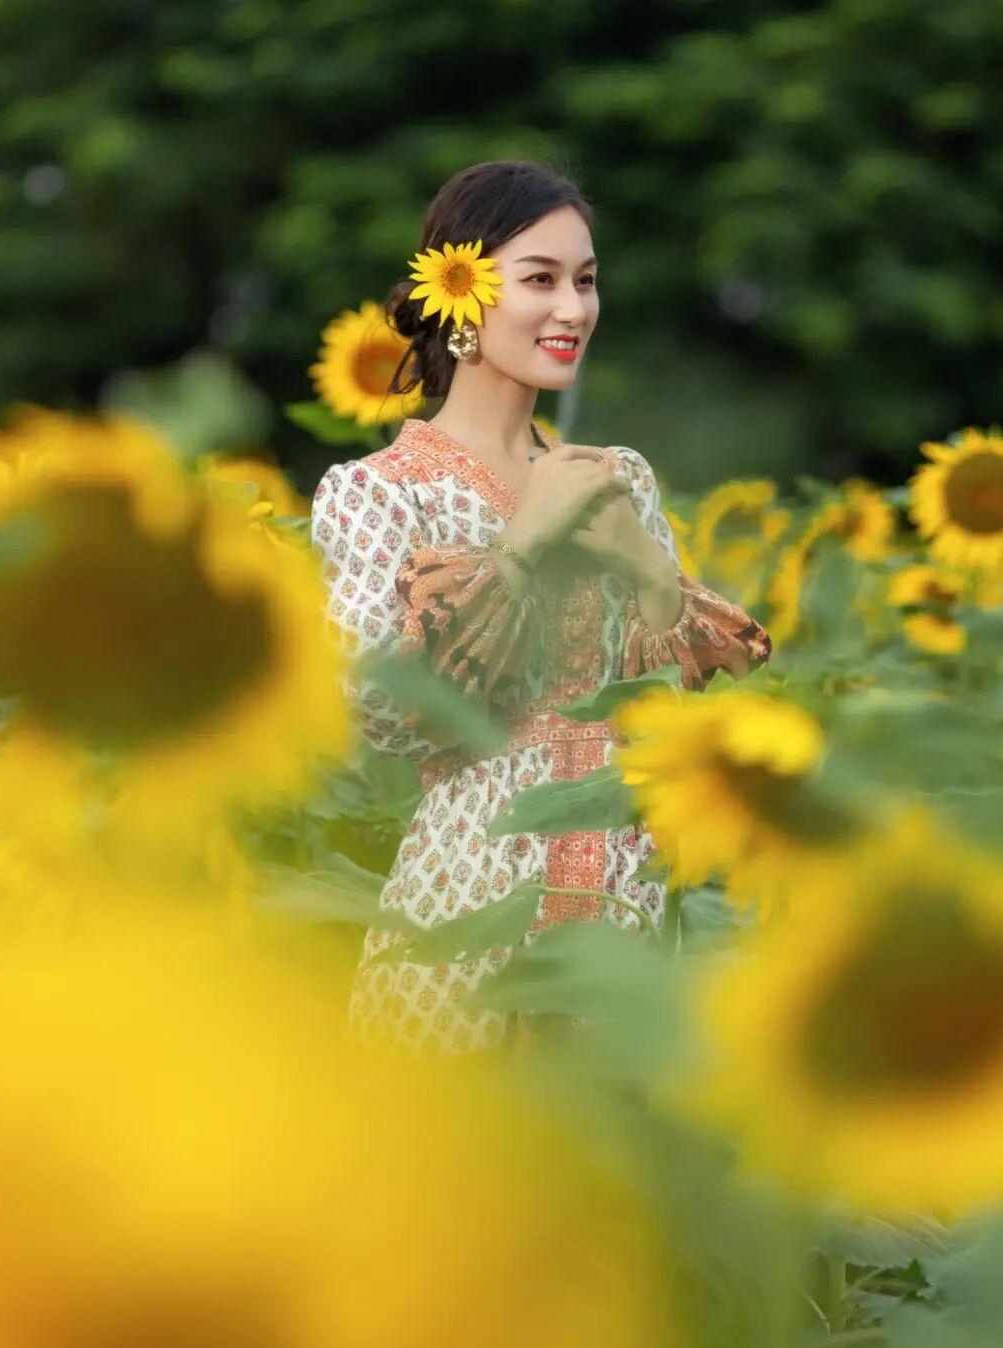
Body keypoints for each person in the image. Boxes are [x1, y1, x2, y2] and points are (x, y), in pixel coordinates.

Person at [310, 159, 771, 1054]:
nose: (574, 309)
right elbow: (386, 715)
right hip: (471, 891)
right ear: (462, 293)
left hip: (626, 887)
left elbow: (695, 700)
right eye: (541, 280)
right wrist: (524, 544)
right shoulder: (376, 493)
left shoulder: (616, 479)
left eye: (587, 281)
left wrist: (637, 555)